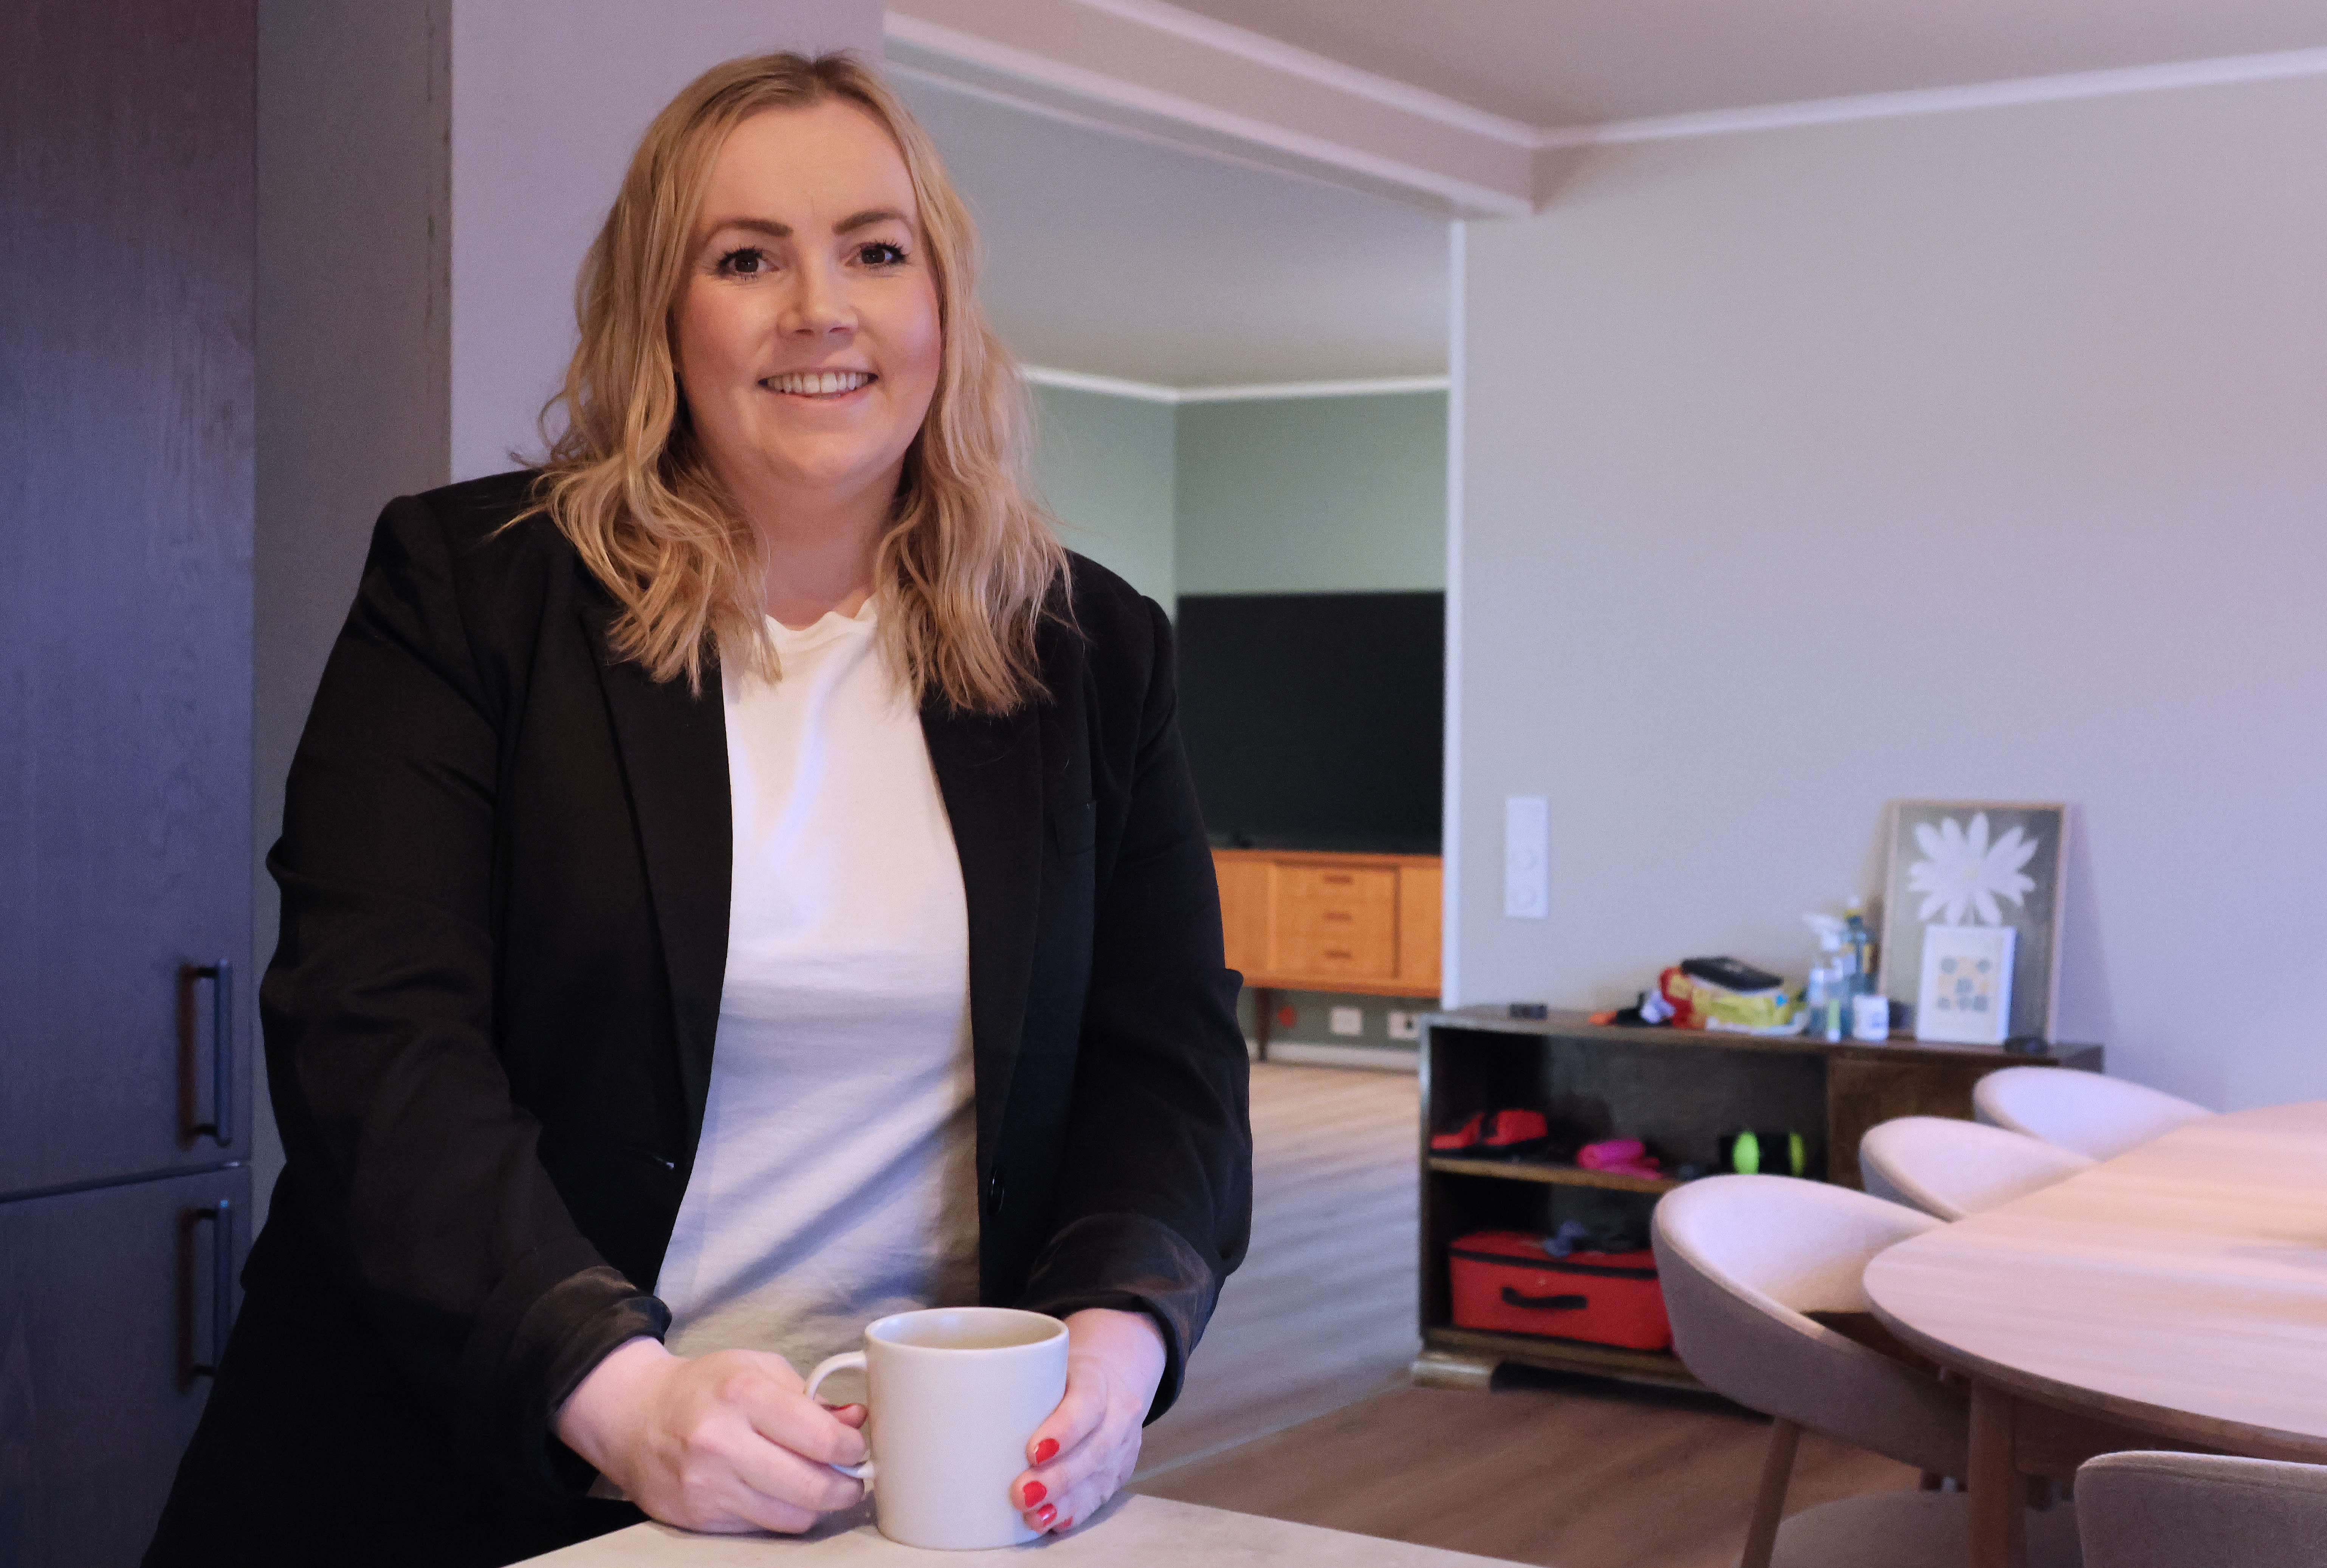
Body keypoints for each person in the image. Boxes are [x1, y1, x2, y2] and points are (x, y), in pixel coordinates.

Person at [145, 51, 1252, 1567]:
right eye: (746, 258)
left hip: (898, 1507)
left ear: (943, 303)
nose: (822, 306)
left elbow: (1168, 1063)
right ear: (660, 314)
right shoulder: (471, 595)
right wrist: (617, 1390)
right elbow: (375, 1038)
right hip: (462, 1479)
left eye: (876, 250)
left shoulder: (1092, 652)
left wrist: (1116, 1345)